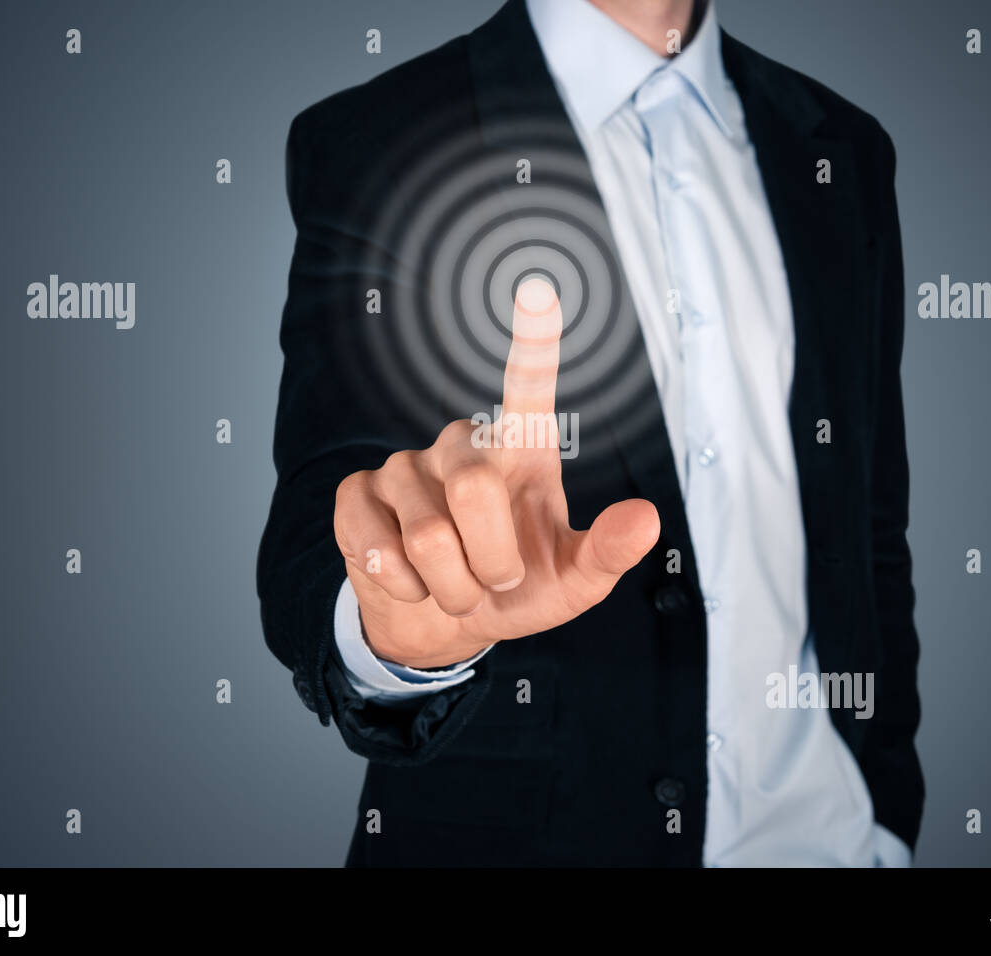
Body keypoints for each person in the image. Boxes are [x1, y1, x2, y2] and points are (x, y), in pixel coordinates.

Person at [257, 0, 923, 866]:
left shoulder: (845, 148)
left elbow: (870, 525)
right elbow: (322, 518)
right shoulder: (380, 134)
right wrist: (398, 631)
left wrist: (886, 818)